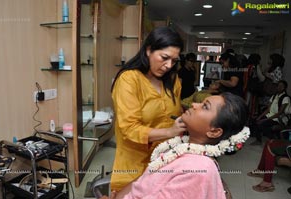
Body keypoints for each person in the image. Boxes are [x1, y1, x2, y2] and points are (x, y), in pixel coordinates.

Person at [102, 92, 249, 199]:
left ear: (214, 131)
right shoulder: (181, 147)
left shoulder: (198, 169)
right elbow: (146, 179)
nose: (194, 104)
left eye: (205, 106)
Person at [110, 27, 186, 191]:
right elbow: (129, 129)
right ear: (149, 50)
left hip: (166, 161)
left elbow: (175, 113)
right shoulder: (129, 80)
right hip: (134, 164)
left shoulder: (173, 80)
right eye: (164, 58)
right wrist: (169, 132)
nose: (168, 65)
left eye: (174, 61)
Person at [250, 80, 290, 145]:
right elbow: (268, 110)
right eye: (278, 85)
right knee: (255, 120)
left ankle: (272, 140)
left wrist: (264, 120)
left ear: (284, 88)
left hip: (277, 118)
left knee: (262, 124)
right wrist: (259, 117)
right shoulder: (274, 96)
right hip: (270, 116)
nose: (279, 87)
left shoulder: (285, 98)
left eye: (281, 86)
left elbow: (279, 113)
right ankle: (259, 139)